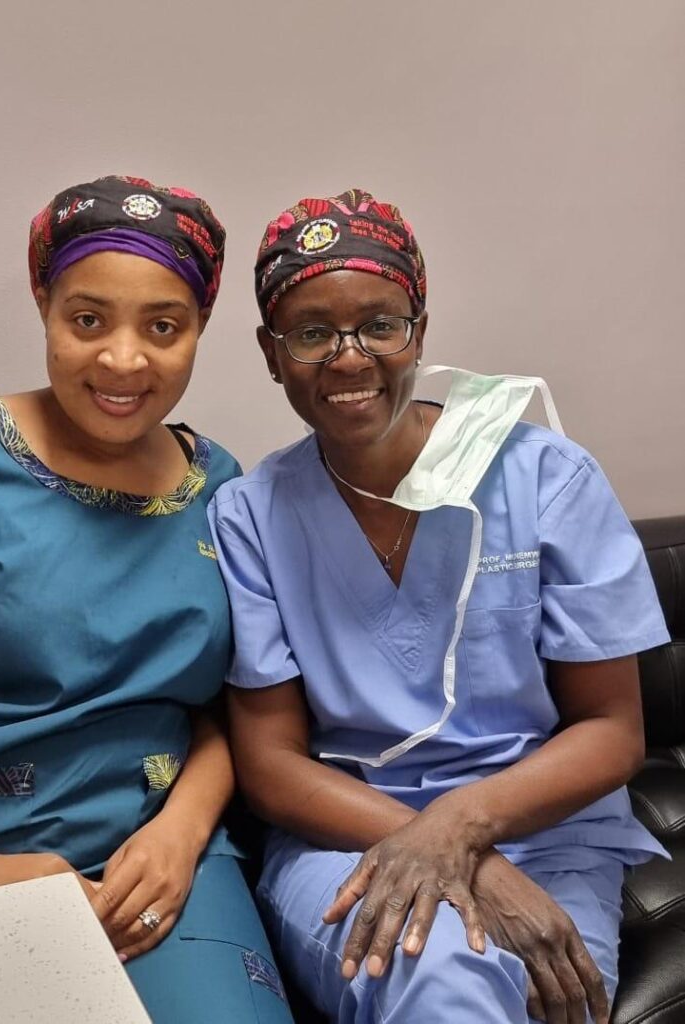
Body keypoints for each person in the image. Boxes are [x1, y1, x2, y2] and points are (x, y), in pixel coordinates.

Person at [0, 174, 294, 1024]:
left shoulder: (219, 487)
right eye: (87, 320)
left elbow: (225, 712)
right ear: (43, 304)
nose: (123, 360)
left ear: (199, 328)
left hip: (145, 862)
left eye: (163, 326)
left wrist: (182, 832)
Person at [208, 189, 670, 1024]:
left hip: (546, 827)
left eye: (379, 325)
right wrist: (462, 857)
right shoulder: (250, 515)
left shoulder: (544, 477)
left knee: (541, 996)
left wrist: (459, 828)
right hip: (349, 833)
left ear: (418, 331)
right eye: (310, 333)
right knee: (440, 978)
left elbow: (612, 729)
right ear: (271, 354)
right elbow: (271, 766)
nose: (348, 359)